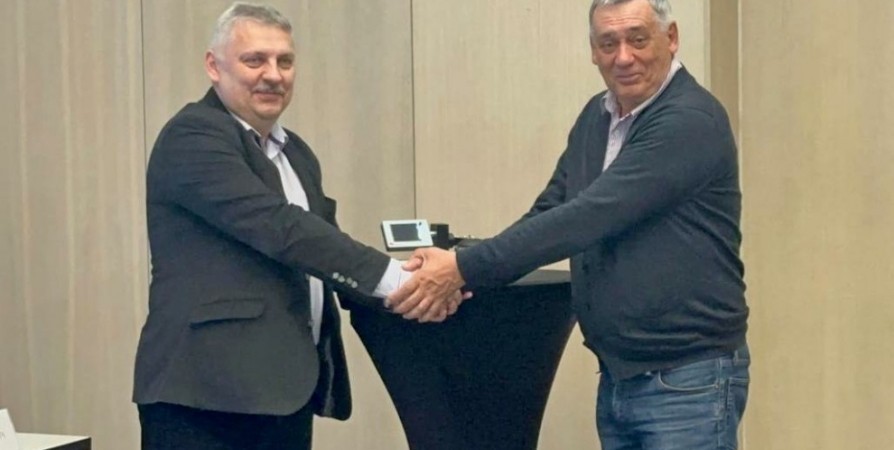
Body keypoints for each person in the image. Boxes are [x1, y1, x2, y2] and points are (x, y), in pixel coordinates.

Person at [389, 0, 750, 448]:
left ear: (671, 38)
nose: (623, 57)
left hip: (687, 380)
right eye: (608, 43)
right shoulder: (597, 117)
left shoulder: (689, 120)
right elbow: (550, 210)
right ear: (593, 51)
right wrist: (464, 270)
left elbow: (586, 218)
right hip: (620, 374)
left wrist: (460, 268)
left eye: (638, 39)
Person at [132, 3, 460, 449]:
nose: (273, 75)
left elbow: (326, 247)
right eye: (255, 60)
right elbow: (282, 229)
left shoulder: (295, 153)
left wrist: (426, 290)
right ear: (214, 66)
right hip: (204, 397)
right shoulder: (193, 136)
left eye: (284, 61)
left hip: (282, 393)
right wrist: (400, 281)